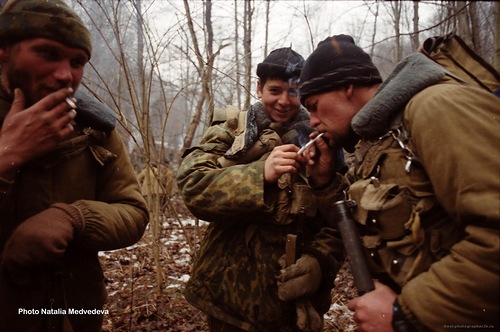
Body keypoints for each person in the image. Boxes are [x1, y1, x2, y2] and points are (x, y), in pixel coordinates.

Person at [298, 34, 499, 331]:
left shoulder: (436, 107)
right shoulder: (382, 140)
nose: (312, 121)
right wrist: (325, 181)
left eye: (314, 105)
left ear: (346, 86)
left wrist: (405, 312)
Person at [0, 0, 149, 331]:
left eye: (77, 61)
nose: (65, 75)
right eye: (48, 54)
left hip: (73, 313)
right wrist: (7, 155)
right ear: (5, 49)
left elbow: (134, 212)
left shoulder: (95, 129)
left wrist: (73, 218)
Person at [176, 47, 348, 331]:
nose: (283, 101)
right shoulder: (232, 131)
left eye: (293, 92)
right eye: (275, 90)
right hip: (227, 299)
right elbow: (193, 186)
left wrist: (319, 263)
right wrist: (260, 174)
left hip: (292, 305)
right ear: (259, 87)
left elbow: (340, 221)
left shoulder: (321, 137)